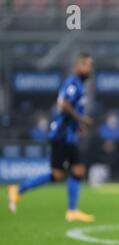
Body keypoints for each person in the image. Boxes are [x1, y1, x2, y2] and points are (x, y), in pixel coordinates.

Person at [7, 52, 95, 222]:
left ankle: (72, 211)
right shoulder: (73, 83)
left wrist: (79, 126)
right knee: (57, 174)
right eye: (85, 64)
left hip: (69, 135)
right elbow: (64, 105)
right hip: (61, 135)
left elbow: (70, 110)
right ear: (77, 66)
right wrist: (82, 119)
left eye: (90, 65)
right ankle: (18, 190)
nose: (88, 68)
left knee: (77, 170)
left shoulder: (79, 85)